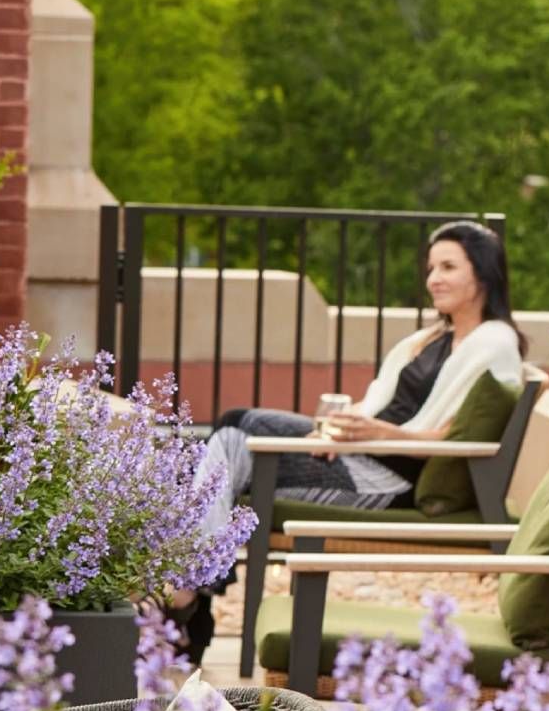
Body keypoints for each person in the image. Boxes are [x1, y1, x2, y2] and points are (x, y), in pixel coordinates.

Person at [179, 220, 525, 650]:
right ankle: (194, 591)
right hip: (364, 451)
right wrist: (338, 429)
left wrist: (379, 434)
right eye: (431, 267)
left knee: (231, 442)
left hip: (388, 478)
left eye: (449, 267)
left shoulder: (494, 342)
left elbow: (453, 438)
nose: (434, 278)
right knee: (234, 422)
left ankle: (190, 594)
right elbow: (380, 402)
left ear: (483, 273)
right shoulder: (436, 337)